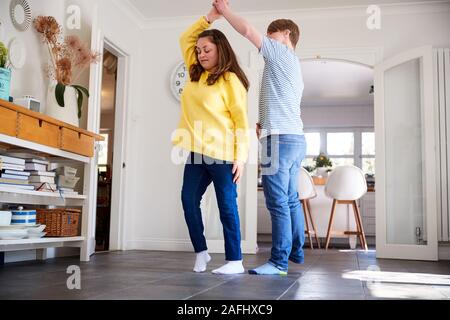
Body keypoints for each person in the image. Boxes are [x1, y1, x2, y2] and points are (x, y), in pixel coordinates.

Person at [214, 0, 306, 275]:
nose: (266, 39)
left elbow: (247, 30)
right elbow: (282, 102)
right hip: (292, 138)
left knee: (277, 201)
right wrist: (264, 125)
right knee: (289, 199)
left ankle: (278, 262)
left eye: (271, 34)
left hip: (279, 140)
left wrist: (225, 11)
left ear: (286, 34)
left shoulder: (280, 53)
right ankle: (295, 253)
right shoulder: (294, 65)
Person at [172, 5, 250, 275]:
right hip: (196, 152)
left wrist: (241, 157)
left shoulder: (230, 80)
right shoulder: (195, 71)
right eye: (200, 49)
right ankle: (201, 252)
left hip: (224, 154)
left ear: (221, 50)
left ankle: (235, 261)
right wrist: (209, 18)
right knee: (187, 200)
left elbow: (241, 121)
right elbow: (186, 39)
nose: (202, 53)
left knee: (226, 205)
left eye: (208, 49)